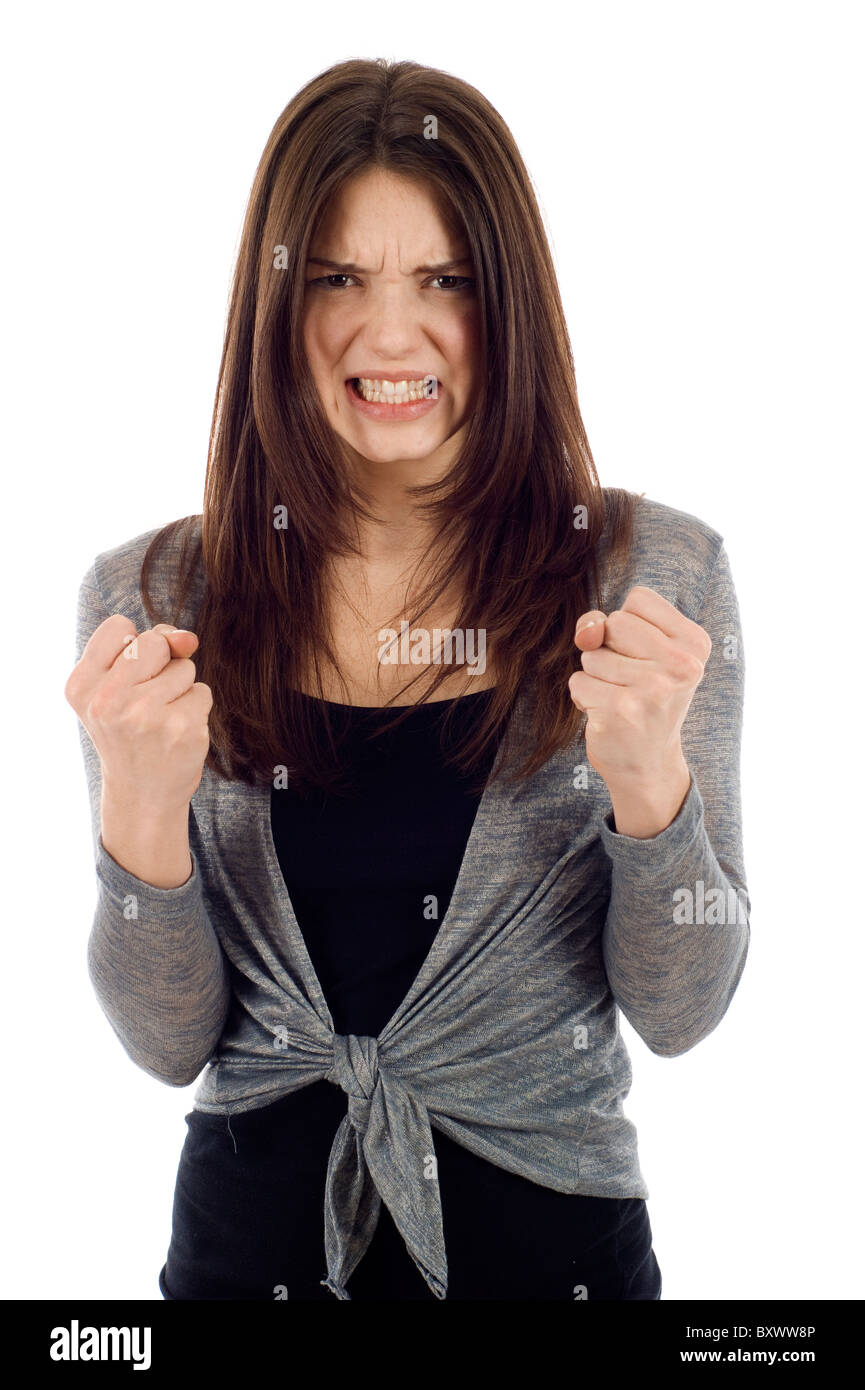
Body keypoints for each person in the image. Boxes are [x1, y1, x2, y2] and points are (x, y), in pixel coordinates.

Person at [65, 58, 749, 1301]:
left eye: (445, 279)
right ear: (275, 302)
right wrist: (139, 821)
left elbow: (684, 1009)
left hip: (556, 1272)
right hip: (245, 1261)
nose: (393, 334)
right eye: (337, 277)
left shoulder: (653, 578)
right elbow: (168, 1046)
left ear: (512, 301)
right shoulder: (152, 600)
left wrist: (652, 787)